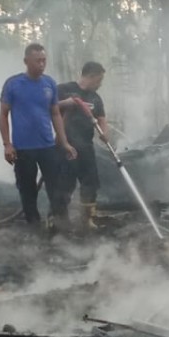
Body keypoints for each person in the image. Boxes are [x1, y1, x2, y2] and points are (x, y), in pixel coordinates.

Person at [0, 42, 77, 229]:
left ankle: (60, 225)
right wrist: (7, 144)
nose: (41, 65)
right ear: (26, 61)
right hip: (23, 148)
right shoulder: (13, 84)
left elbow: (55, 113)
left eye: (44, 61)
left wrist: (64, 142)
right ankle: (34, 226)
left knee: (56, 188)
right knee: (27, 190)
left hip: (47, 146)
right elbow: (3, 115)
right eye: (37, 61)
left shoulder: (49, 83)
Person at [56, 61, 108, 230]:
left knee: (90, 183)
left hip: (86, 146)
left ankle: (87, 220)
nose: (100, 84)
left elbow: (101, 118)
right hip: (65, 145)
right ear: (91, 76)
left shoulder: (96, 98)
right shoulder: (64, 89)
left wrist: (104, 132)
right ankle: (58, 219)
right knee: (65, 183)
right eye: (99, 80)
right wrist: (68, 103)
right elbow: (49, 107)